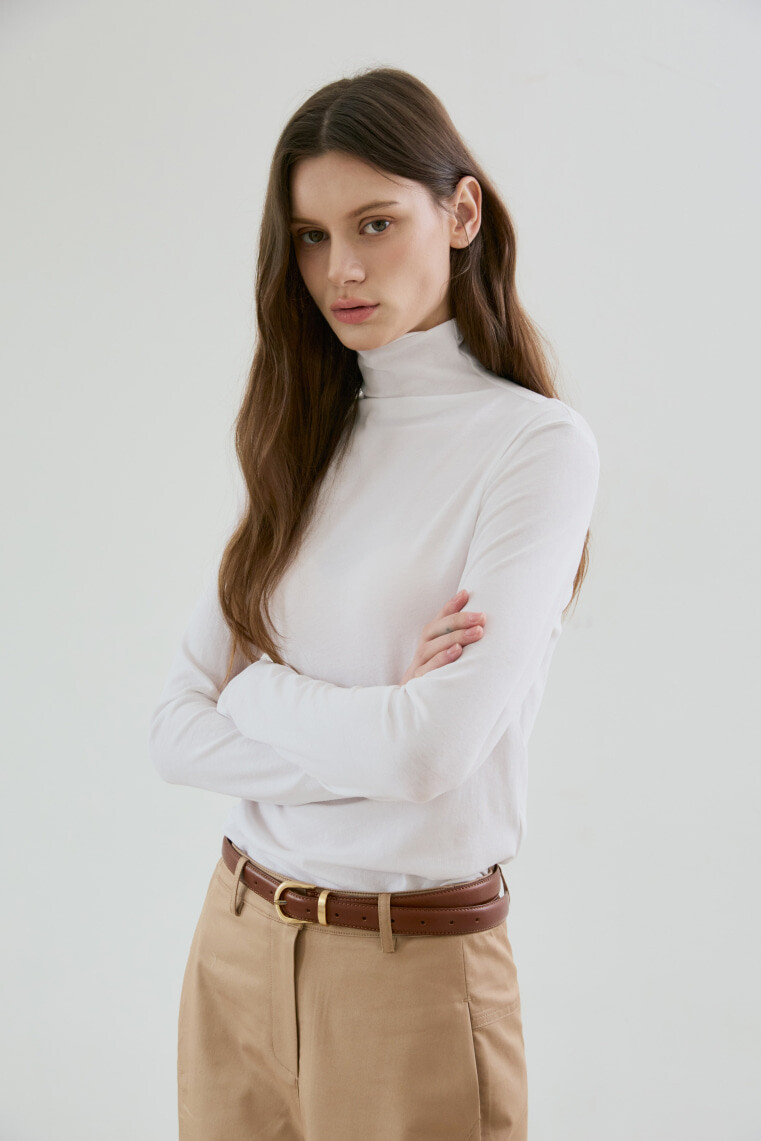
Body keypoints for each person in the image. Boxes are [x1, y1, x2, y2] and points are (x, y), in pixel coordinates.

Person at [149, 65, 600, 1141]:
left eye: (375, 223)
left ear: (460, 212)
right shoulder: (303, 437)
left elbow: (427, 755)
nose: (340, 269)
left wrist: (258, 694)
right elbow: (172, 731)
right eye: (310, 237)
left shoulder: (533, 448)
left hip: (410, 974)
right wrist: (375, 722)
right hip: (236, 939)